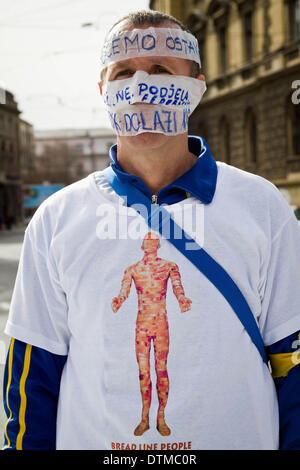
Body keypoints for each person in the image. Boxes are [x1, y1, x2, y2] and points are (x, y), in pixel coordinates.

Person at [2, 9, 300, 451]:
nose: (141, 86)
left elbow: (292, 357)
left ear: (196, 89)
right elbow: (33, 373)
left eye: (161, 69)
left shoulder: (262, 207)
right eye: (124, 72)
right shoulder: (58, 218)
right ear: (104, 91)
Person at [111, 231, 192, 437]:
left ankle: (161, 417)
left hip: (160, 323)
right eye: (146, 240)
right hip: (142, 325)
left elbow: (177, 287)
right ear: (142, 246)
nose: (150, 242)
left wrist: (183, 300)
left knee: (161, 370)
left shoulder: (169, 266)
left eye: (153, 240)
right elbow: (123, 292)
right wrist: (117, 302)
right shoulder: (133, 270)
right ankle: (145, 418)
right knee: (144, 373)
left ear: (157, 245)